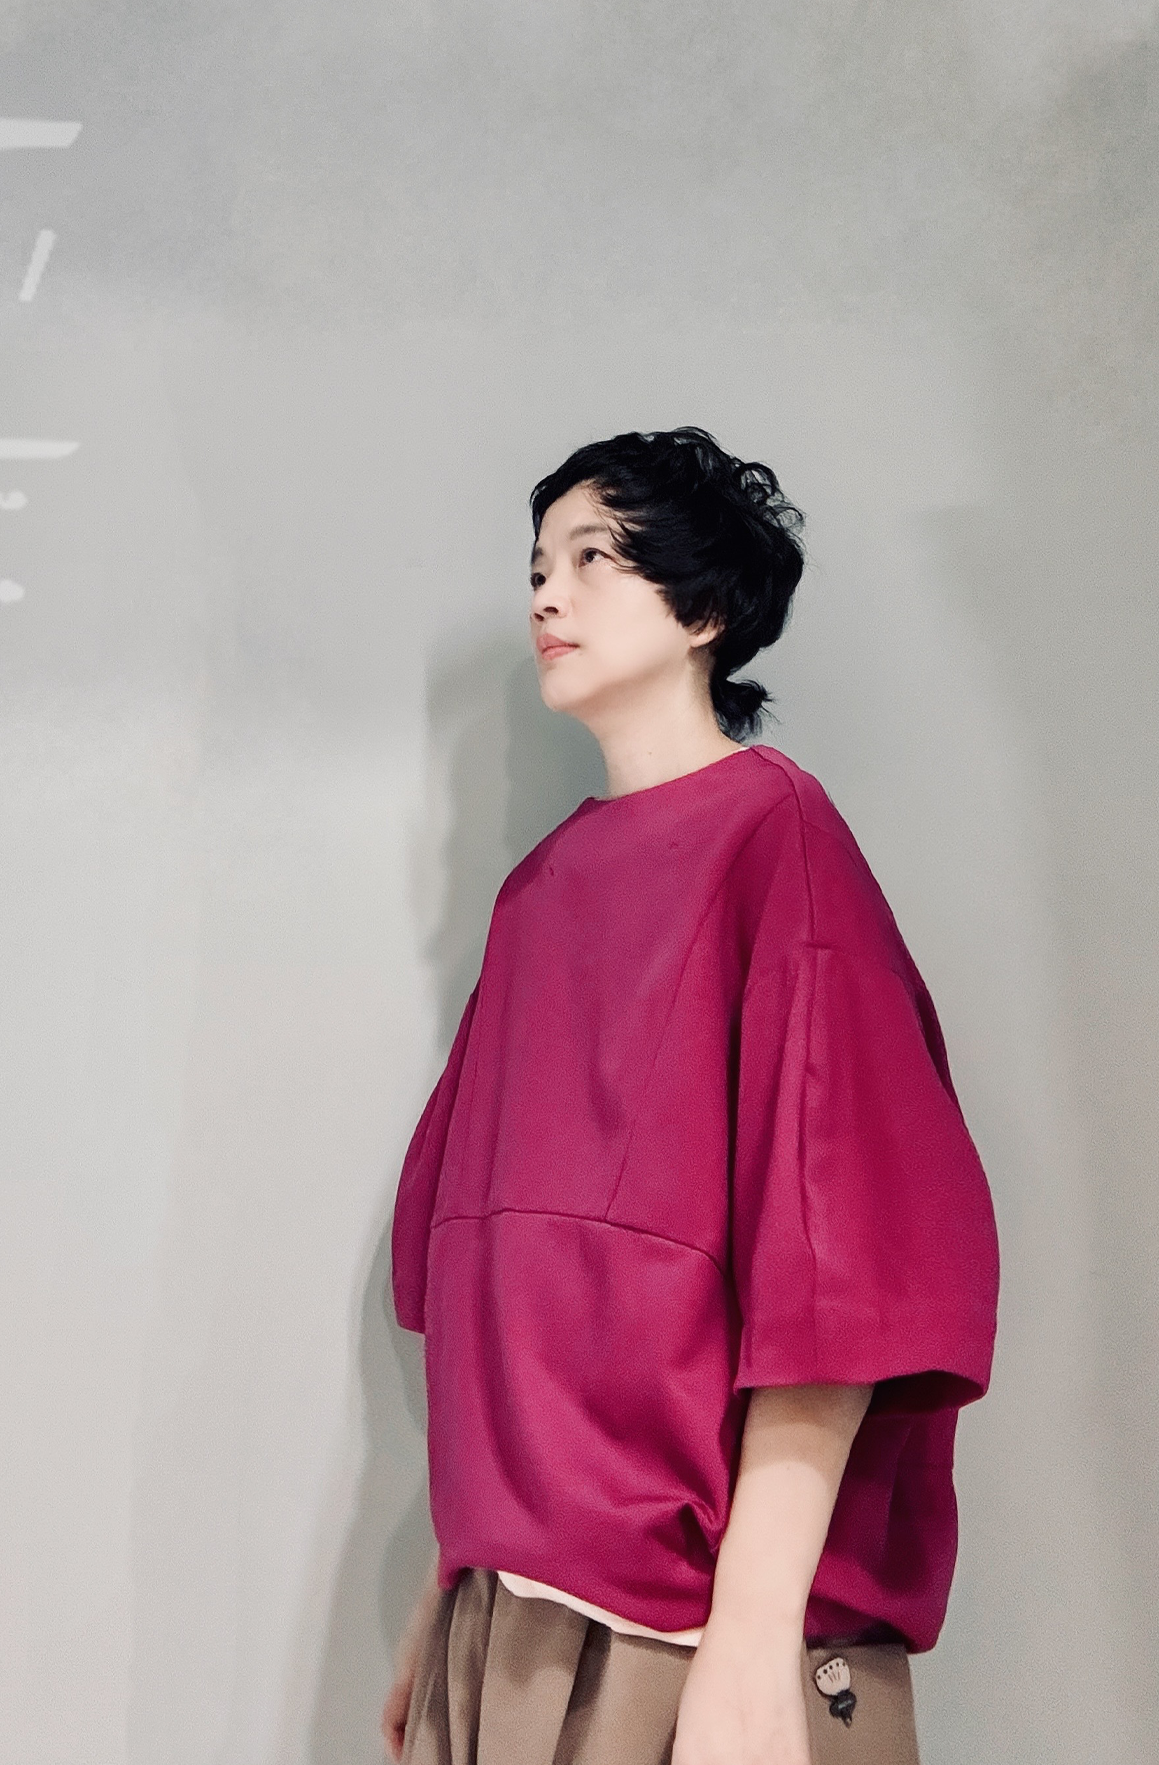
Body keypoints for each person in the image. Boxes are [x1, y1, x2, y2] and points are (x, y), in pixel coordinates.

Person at [380, 428, 1000, 1765]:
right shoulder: (538, 896)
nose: (546, 596)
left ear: (705, 609)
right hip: (512, 1615)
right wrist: (453, 1591)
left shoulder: (776, 843)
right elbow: (491, 1286)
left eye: (591, 559)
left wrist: (752, 1640)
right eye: (536, 568)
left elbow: (842, 1283)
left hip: (694, 1630)